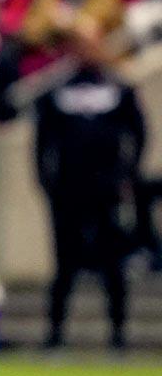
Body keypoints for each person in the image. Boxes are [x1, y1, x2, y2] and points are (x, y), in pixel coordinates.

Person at [36, 61, 145, 351]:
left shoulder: (119, 88)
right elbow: (41, 141)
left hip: (106, 190)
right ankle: (55, 331)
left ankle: (118, 331)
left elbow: (139, 133)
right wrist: (47, 183)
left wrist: (127, 177)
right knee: (64, 265)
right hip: (68, 190)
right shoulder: (57, 91)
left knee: (113, 263)